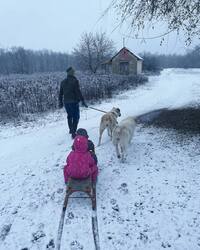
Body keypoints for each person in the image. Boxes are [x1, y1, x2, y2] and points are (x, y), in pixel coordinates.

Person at [59, 67, 88, 139]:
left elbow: (60, 93)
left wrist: (60, 102)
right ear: (72, 73)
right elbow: (78, 92)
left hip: (66, 102)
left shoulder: (63, 82)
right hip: (74, 102)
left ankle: (71, 129)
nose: (74, 73)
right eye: (73, 72)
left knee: (69, 116)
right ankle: (73, 132)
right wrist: (83, 101)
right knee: (76, 117)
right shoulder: (75, 81)